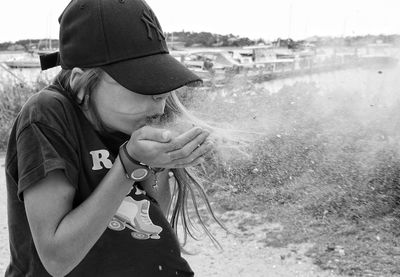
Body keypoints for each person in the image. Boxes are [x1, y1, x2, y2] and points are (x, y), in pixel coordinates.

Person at [4, 0, 225, 276]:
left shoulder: (129, 117)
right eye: (142, 82)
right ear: (80, 83)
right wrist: (128, 165)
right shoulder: (46, 115)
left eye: (160, 81)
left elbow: (154, 222)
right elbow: (57, 259)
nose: (160, 98)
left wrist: (160, 162)